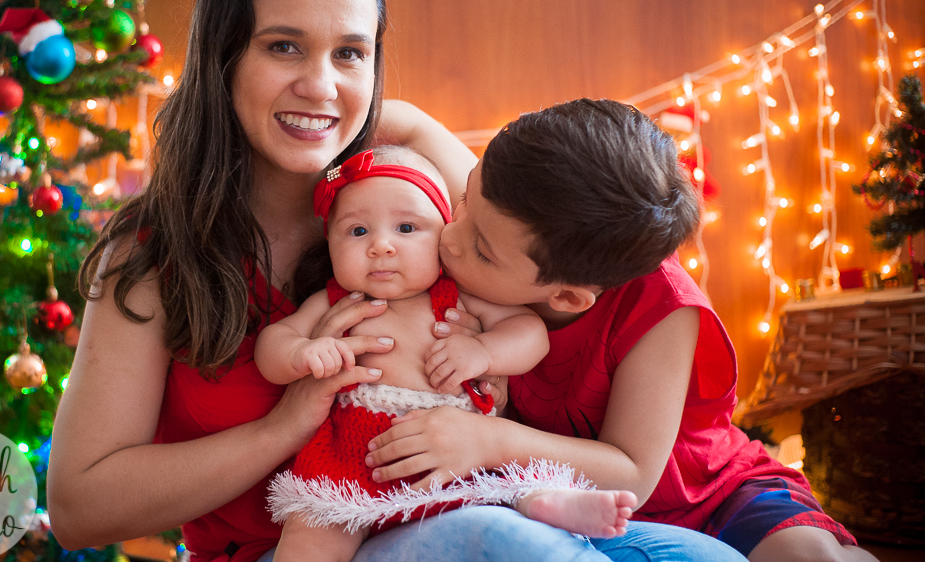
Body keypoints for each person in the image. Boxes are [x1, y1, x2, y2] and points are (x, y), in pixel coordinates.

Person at [47, 0, 746, 562]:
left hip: (448, 500)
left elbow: (578, 231)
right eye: (284, 46)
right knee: (502, 541)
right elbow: (78, 506)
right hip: (305, 539)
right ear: (223, 58)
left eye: (350, 53)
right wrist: (284, 426)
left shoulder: (421, 208)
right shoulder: (152, 250)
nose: (321, 86)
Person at [365, 99, 878, 562]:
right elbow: (409, 122)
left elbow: (633, 470)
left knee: (807, 556)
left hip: (704, 490)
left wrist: (489, 439)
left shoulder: (661, 307)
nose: (449, 238)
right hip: (566, 500)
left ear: (567, 297)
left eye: (480, 250)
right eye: (463, 199)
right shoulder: (501, 210)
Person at [256, 145, 636, 562]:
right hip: (357, 457)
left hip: (460, 454)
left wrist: (483, 351)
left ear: (441, 231)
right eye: (358, 231)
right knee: (313, 528)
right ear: (329, 241)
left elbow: (530, 334)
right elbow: (273, 344)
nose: (381, 246)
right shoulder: (335, 303)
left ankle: (552, 507)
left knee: (513, 483)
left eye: (406, 228)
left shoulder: (458, 297)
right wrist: (304, 352)